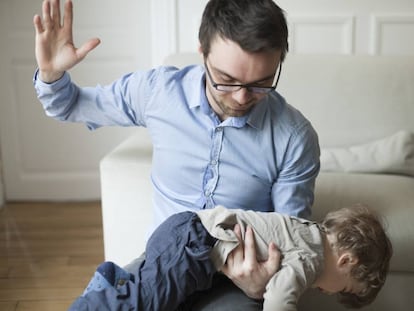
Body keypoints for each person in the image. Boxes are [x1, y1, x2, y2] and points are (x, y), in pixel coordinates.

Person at [33, 0, 320, 309]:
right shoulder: (158, 92)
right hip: (161, 265)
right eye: (226, 79)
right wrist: (52, 76)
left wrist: (260, 285)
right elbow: (70, 105)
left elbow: (293, 238)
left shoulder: (295, 137)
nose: (240, 97)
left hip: (235, 284)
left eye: (260, 84)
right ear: (203, 52)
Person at [68, 204, 393, 311]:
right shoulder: (310, 257)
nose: (329, 293)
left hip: (190, 243)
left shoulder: (307, 233)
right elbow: (280, 296)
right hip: (192, 244)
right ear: (347, 260)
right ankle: (99, 297)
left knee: (158, 302)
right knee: (146, 303)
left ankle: (119, 282)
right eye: (345, 290)